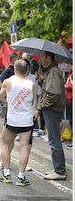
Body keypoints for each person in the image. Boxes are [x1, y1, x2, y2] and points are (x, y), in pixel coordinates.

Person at [0, 59, 36, 186]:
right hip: (27, 121)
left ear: (15, 69)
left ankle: (6, 174)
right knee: (24, 147)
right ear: (27, 70)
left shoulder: (8, 82)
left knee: (5, 145)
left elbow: (1, 97)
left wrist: (10, 98)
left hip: (12, 119)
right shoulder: (32, 84)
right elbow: (32, 100)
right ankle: (21, 177)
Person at [39, 51, 67, 180]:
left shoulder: (54, 71)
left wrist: (44, 104)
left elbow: (54, 93)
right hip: (51, 108)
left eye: (42, 57)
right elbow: (49, 89)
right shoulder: (51, 71)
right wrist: (40, 81)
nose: (40, 59)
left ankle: (60, 171)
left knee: (54, 140)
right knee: (53, 139)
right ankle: (57, 168)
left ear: (48, 58)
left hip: (52, 109)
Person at [64, 61, 73, 150]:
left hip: (72, 99)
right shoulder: (70, 73)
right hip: (69, 99)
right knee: (71, 121)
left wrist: (67, 87)